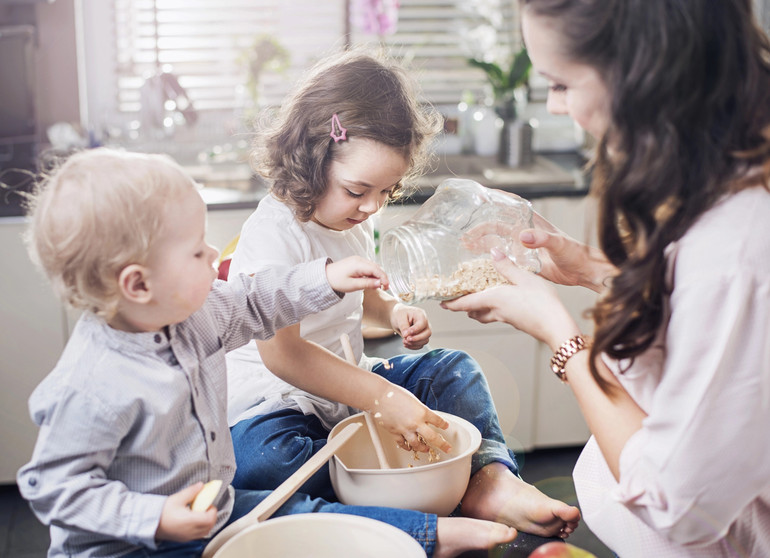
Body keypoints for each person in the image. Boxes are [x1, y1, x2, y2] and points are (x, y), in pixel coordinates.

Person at [16, 148, 518, 558]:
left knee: (288, 510)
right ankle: (430, 533)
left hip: (210, 508)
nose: (215, 256)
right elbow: (55, 487)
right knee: (298, 522)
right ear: (138, 283)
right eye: (196, 250)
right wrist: (155, 518)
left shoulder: (197, 313)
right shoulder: (92, 383)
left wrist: (323, 278)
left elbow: (257, 300)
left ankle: (427, 533)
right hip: (130, 546)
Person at [442, 1, 770, 556]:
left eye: (562, 84)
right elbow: (703, 326)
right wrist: (593, 270)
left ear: (642, 73)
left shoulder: (736, 248)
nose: (555, 104)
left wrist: (559, 334)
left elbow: (675, 503)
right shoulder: (719, 177)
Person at [224, 48, 580, 540]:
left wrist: (394, 312)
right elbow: (282, 356)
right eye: (357, 190)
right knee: (266, 464)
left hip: (348, 394)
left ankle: (488, 480)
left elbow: (363, 301)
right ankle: (417, 525)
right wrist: (382, 396)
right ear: (309, 160)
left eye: (386, 193)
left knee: (453, 370)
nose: (371, 207)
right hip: (275, 404)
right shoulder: (274, 233)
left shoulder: (353, 220)